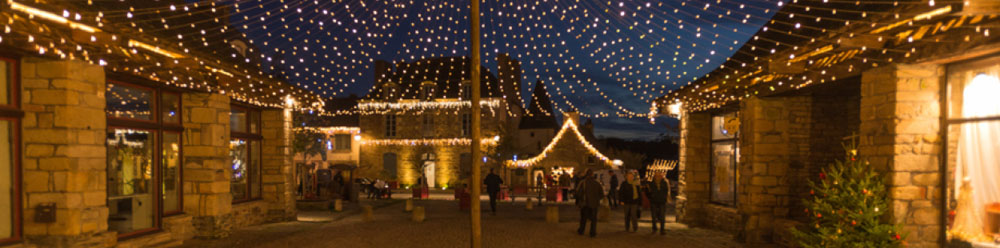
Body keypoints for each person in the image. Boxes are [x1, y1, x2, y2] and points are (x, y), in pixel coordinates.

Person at [575, 169, 604, 237]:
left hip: (585, 203)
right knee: (593, 219)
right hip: (594, 204)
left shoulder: (583, 182)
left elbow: (578, 193)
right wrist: (597, 199)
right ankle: (592, 232)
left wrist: (579, 200)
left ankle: (581, 230)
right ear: (592, 175)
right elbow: (601, 194)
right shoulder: (597, 183)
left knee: (583, 218)